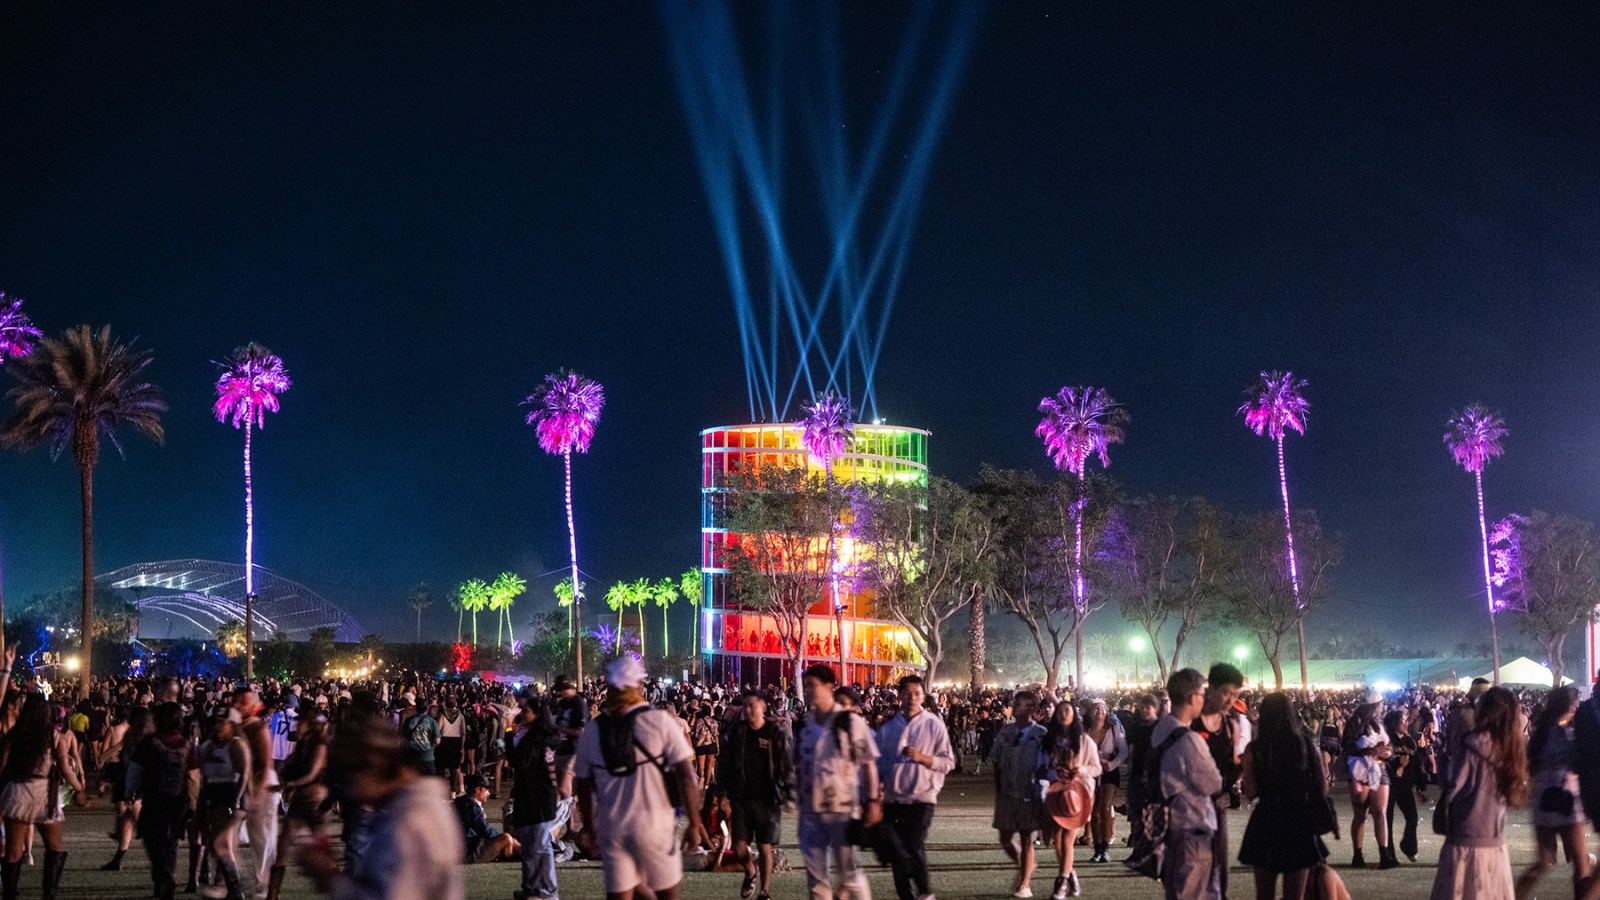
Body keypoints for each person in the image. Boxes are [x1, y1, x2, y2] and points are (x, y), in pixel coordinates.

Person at [575, 657, 708, 900]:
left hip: (612, 825)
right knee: (668, 894)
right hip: (654, 824)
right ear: (639, 685)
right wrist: (694, 822)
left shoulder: (593, 729)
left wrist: (590, 827)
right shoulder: (659, 721)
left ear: (610, 687)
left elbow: (582, 783)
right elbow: (686, 775)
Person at [297, 715, 464, 900]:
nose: (350, 792)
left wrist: (329, 878)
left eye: (349, 778)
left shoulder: (407, 823)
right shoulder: (419, 806)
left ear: (373, 763)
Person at [1429, 686, 1527, 900]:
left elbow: (1453, 785)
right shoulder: (1510, 748)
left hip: (1464, 836)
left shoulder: (1471, 746)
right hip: (1494, 840)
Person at [793, 664, 880, 900]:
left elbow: (868, 763)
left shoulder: (849, 722)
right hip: (810, 811)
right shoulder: (806, 724)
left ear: (829, 687)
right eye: (806, 685)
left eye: (813, 685)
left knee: (849, 873)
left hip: (842, 809)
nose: (808, 690)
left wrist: (872, 801)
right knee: (816, 879)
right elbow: (799, 764)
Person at [1237, 693, 1331, 900]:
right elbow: (1322, 787)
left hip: (1266, 820)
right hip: (1299, 821)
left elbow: (1251, 792)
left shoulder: (1255, 749)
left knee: (1264, 895)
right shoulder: (1306, 745)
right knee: (1295, 895)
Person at [876, 675, 956, 900]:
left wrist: (923, 758)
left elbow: (948, 762)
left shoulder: (933, 724)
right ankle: (909, 895)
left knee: (911, 845)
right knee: (897, 851)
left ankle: (924, 891)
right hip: (893, 799)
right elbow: (877, 763)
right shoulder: (889, 728)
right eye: (907, 693)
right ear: (899, 695)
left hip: (922, 797)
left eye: (917, 694)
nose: (912, 698)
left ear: (923, 696)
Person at [1153, 668, 1223, 900]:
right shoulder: (1189, 740)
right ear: (1192, 697)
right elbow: (1213, 783)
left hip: (1169, 829)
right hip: (1192, 829)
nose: (1204, 699)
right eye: (1202, 694)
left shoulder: (1159, 730)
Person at [1515, 686, 1590, 899]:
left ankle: (1513, 896)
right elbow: (1578, 763)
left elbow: (1532, 766)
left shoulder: (1541, 734)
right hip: (1566, 798)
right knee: (1580, 862)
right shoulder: (1567, 733)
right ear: (1570, 706)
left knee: (1544, 861)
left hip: (1543, 800)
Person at [718, 690, 793, 900]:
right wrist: (722, 793)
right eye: (745, 706)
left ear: (764, 706)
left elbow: (786, 764)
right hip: (741, 797)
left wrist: (788, 793)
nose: (748, 710)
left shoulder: (774, 733)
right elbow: (725, 763)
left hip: (767, 799)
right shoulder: (737, 732)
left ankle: (764, 891)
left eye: (752, 705)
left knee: (764, 845)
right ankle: (751, 871)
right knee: (739, 847)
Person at [128, 702, 192, 900]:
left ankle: (164, 877)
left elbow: (136, 768)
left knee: (152, 838)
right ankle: (165, 880)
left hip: (154, 798)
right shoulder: (186, 744)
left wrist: (130, 791)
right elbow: (195, 776)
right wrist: (193, 801)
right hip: (179, 800)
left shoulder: (150, 742)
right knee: (171, 842)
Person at [990, 691, 1048, 899]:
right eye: (1016, 704)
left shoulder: (1041, 734)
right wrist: (999, 789)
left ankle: (1025, 884)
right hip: (1007, 792)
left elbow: (1048, 765)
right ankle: (1026, 865)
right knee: (1005, 838)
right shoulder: (1006, 733)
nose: (1017, 708)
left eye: (1023, 705)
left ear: (1033, 709)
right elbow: (996, 761)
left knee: (1026, 838)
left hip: (1030, 793)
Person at [1193, 663, 1244, 898]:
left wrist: (1244, 766)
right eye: (1225, 692)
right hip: (1189, 807)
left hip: (1216, 804)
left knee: (1220, 866)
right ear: (1210, 688)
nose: (1230, 700)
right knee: (1192, 871)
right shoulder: (1192, 721)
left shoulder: (1230, 726)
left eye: (1235, 694)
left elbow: (1232, 768)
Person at [1043, 698, 1100, 899]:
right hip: (1057, 793)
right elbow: (1043, 766)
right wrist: (1055, 773)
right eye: (1060, 711)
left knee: (1068, 839)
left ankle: (1061, 882)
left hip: (1078, 794)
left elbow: (1096, 767)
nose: (1063, 714)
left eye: (1067, 710)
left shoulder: (1084, 741)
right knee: (1057, 840)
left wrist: (1080, 770)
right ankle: (1070, 874)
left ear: (1074, 715)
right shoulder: (1051, 739)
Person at [505, 698, 560, 900]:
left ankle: (547, 891)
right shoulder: (525, 734)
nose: (522, 713)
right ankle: (531, 887)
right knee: (529, 845)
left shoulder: (538, 737)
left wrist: (509, 731)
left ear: (537, 714)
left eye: (526, 710)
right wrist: (508, 732)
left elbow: (518, 761)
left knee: (540, 846)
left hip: (539, 796)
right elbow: (509, 756)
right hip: (527, 794)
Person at [196, 709, 251, 900]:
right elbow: (202, 774)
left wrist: (237, 797)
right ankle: (233, 885)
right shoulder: (207, 746)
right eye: (216, 722)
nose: (219, 726)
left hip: (232, 794)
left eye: (223, 722)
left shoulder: (236, 744)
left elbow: (244, 773)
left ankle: (236, 888)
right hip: (214, 794)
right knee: (216, 845)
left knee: (220, 843)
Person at [232, 689, 280, 900]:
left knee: (263, 840)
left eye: (242, 702)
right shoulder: (238, 727)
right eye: (236, 702)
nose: (237, 706)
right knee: (241, 837)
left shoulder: (258, 729)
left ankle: (265, 887)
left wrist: (256, 793)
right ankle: (234, 882)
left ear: (252, 705)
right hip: (247, 787)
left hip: (263, 787)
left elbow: (265, 764)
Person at [1342, 693, 1396, 869]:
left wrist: (1388, 752)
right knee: (1361, 814)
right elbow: (1347, 747)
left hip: (1380, 768)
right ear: (1373, 705)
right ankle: (1357, 855)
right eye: (1380, 704)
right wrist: (1370, 751)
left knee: (1380, 812)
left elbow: (1388, 745)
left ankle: (1384, 854)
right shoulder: (1355, 722)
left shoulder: (1378, 722)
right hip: (1361, 770)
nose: (1382, 706)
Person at [1082, 699, 1126, 865]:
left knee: (1105, 807)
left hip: (1109, 771)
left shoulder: (1114, 728)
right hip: (1090, 772)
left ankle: (1106, 847)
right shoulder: (1085, 730)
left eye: (1102, 708)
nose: (1099, 711)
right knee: (1094, 810)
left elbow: (1123, 750)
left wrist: (1112, 764)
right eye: (1096, 708)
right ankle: (1098, 847)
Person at [454, 774, 519, 863]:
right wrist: (502, 837)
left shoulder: (461, 801)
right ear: (478, 789)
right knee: (506, 838)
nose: (489, 793)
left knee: (508, 839)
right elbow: (485, 831)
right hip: (468, 850)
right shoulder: (472, 807)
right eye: (486, 790)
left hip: (458, 848)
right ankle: (513, 857)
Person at [1383, 708, 1420, 863]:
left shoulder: (1409, 741)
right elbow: (1384, 763)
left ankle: (1408, 846)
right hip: (1389, 786)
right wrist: (1399, 767)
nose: (1406, 723)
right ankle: (1389, 854)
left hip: (1405, 786)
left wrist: (1419, 785)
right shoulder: (1387, 740)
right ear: (1394, 723)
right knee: (1387, 821)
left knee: (1412, 818)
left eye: (1406, 720)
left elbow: (1415, 763)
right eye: (1402, 720)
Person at [402, 702, 441, 776]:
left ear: (416, 709)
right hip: (427, 756)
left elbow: (403, 736)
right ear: (427, 709)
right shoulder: (432, 721)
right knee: (428, 780)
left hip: (412, 756)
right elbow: (437, 741)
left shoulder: (409, 720)